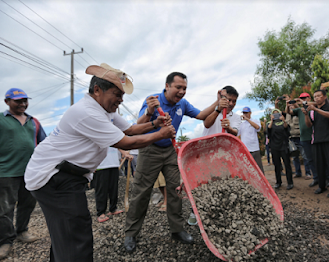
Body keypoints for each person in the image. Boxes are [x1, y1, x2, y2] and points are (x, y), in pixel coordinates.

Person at [24, 63, 176, 262]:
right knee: (76, 232)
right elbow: (126, 142)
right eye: (117, 94)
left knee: (65, 232)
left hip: (65, 174)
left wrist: (154, 124)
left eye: (122, 96)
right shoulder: (87, 112)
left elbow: (130, 129)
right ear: (97, 90)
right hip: (53, 176)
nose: (120, 100)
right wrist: (160, 134)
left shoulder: (106, 112)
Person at [124, 72, 223, 253]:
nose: (182, 91)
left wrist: (217, 102)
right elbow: (139, 124)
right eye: (178, 87)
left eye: (184, 88)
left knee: (176, 190)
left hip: (170, 150)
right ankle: (131, 233)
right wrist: (150, 111)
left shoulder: (182, 104)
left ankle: (177, 230)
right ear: (167, 86)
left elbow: (201, 115)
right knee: (141, 192)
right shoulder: (153, 100)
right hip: (149, 149)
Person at [0, 88, 46, 260]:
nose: (23, 104)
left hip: (30, 171)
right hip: (5, 171)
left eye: (25, 100)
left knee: (27, 204)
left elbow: (43, 144)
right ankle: (5, 241)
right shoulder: (1, 119)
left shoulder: (34, 121)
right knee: (5, 208)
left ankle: (22, 231)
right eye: (18, 101)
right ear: (7, 102)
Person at [304, 89, 329, 198]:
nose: (316, 98)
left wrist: (316, 109)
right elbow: (309, 125)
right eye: (315, 96)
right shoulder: (312, 111)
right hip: (316, 140)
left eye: (319, 96)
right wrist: (306, 115)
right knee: (319, 165)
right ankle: (322, 185)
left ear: (325, 97)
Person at [287, 93, 319, 185]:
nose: (302, 99)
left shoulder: (314, 107)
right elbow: (289, 112)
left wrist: (304, 103)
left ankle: (327, 178)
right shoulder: (299, 110)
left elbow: (317, 104)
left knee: (319, 158)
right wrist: (287, 104)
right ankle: (316, 178)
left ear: (309, 98)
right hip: (304, 138)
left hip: (315, 137)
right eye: (301, 98)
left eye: (304, 98)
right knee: (310, 159)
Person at [93, 148, 131, 223]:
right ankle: (101, 212)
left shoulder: (112, 136)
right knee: (101, 189)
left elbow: (117, 144)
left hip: (114, 163)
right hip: (101, 165)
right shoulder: (97, 136)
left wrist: (125, 153)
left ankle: (113, 208)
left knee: (114, 188)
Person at [285, 98, 312, 178]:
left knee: (305, 156)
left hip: (300, 136)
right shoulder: (288, 114)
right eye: (290, 105)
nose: (291, 106)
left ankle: (308, 173)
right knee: (294, 156)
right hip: (291, 137)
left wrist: (298, 104)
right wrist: (287, 105)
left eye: (292, 104)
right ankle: (298, 172)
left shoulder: (299, 111)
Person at [267, 109, 293, 190]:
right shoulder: (269, 123)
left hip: (283, 146)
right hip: (274, 147)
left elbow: (287, 129)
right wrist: (271, 120)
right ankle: (278, 182)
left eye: (277, 114)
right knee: (277, 165)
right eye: (274, 114)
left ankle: (290, 182)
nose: (276, 116)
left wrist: (284, 120)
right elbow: (268, 131)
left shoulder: (283, 123)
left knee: (287, 165)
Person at [238, 107, 265, 174]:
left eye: (246, 113)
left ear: (250, 113)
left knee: (258, 168)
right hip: (246, 150)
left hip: (254, 149)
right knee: (247, 168)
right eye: (244, 113)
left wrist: (247, 119)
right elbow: (236, 133)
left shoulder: (255, 120)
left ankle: (262, 182)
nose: (245, 114)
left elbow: (257, 127)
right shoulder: (241, 124)